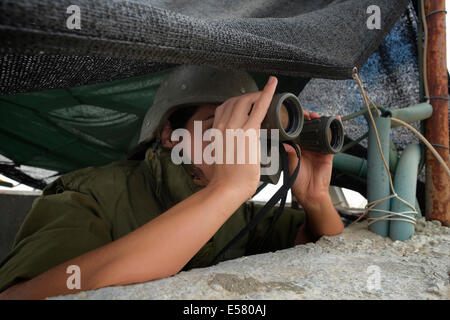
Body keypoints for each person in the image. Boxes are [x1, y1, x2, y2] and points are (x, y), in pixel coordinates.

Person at [0, 65, 343, 299]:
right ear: (169, 135)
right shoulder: (88, 195)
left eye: (246, 130)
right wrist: (225, 191)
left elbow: (322, 249)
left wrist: (315, 199)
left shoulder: (239, 212)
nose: (235, 144)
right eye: (217, 127)